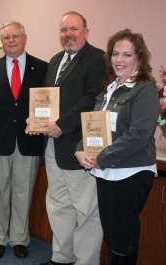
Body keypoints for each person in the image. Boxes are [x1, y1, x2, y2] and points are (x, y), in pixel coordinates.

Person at [75, 29, 158, 265]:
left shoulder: (144, 89)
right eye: (115, 53)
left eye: (127, 54)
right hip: (106, 171)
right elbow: (92, 125)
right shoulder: (108, 90)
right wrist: (80, 149)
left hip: (130, 173)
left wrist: (102, 156)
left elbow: (139, 134)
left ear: (139, 59)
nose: (119, 60)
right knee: (111, 233)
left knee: (123, 237)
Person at [35, 11, 105, 265]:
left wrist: (61, 125)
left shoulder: (98, 59)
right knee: (59, 205)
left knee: (86, 210)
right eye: (64, 30)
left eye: (74, 29)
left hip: (78, 146)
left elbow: (92, 99)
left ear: (86, 31)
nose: (68, 35)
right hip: (52, 146)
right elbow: (46, 97)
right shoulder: (55, 60)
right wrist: (37, 118)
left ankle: (85, 261)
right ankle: (61, 257)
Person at [0, 21, 48, 259]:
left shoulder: (42, 68)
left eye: (16, 36)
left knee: (23, 193)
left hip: (29, 141)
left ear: (25, 38)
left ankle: (18, 238)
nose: (12, 41)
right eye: (6, 38)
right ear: (1, 42)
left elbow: (47, 104)